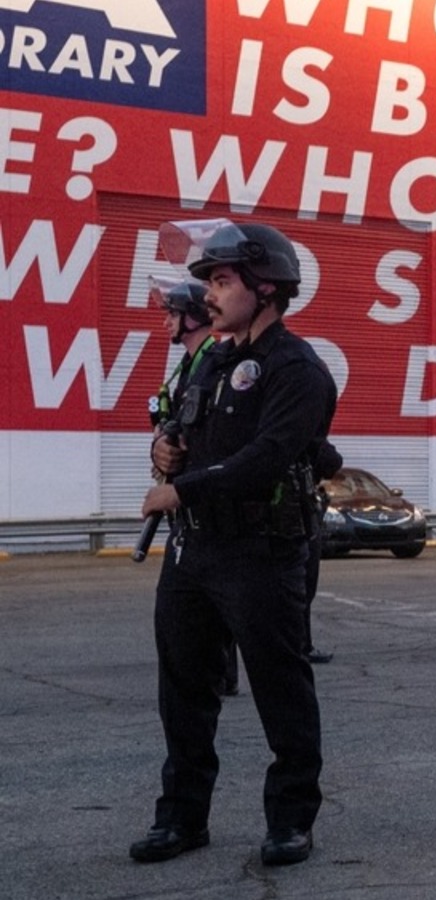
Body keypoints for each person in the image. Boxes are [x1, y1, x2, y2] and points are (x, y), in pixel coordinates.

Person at [131, 219, 337, 866]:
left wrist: (181, 490)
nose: (210, 295)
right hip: (193, 553)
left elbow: (266, 458)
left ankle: (291, 821)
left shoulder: (297, 369)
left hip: (260, 554)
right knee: (183, 695)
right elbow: (180, 430)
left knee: (281, 690)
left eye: (221, 281)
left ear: (265, 287)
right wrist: (163, 450)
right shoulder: (212, 361)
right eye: (210, 283)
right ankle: (181, 819)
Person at [150, 276, 241, 696]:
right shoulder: (188, 366)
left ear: (193, 316)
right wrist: (160, 447)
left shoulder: (214, 362)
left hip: (209, 505)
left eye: (172, 313)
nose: (166, 321)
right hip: (186, 503)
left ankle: (224, 673)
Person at [302, 439, 344, 664]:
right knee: (303, 587)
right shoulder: (302, 432)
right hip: (297, 518)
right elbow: (332, 460)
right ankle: (302, 645)